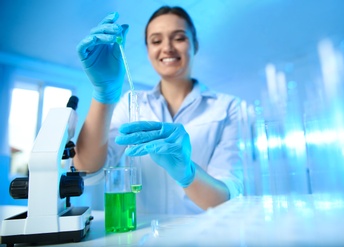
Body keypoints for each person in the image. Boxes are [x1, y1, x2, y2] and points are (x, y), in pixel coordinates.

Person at [74, 6, 243, 214]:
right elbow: (87, 169)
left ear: (195, 44)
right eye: (156, 41)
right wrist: (105, 94)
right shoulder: (131, 103)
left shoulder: (227, 107)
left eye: (179, 38)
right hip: (144, 241)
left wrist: (188, 173)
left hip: (204, 239)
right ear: (148, 50)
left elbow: (227, 198)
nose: (167, 48)